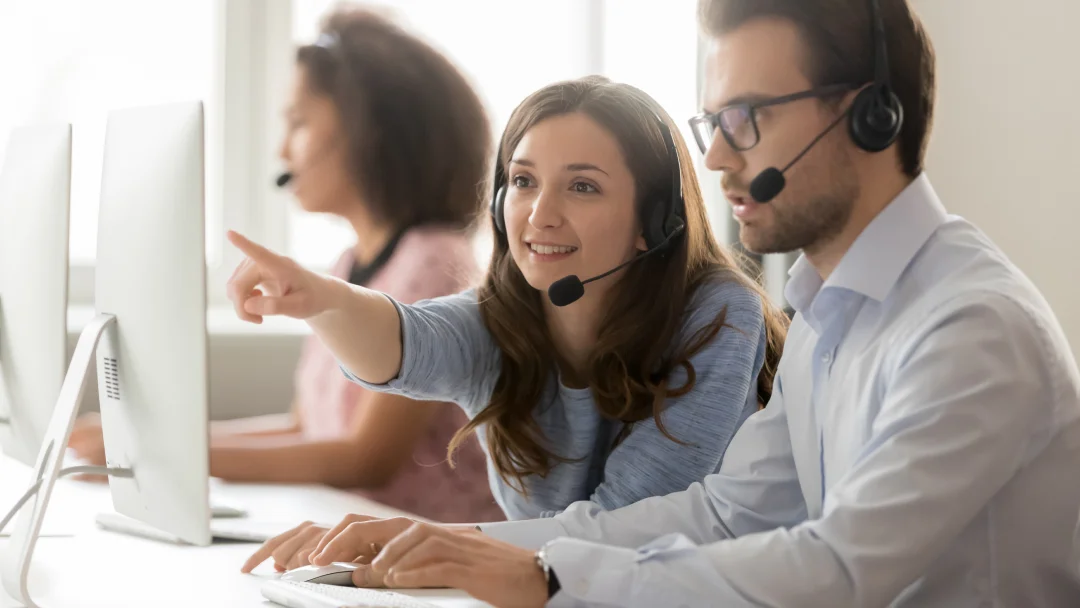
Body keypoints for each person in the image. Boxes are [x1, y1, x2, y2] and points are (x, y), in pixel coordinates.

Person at [240, 0, 1080, 606]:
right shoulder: (834, 310)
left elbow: (842, 571)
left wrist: (546, 575)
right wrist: (455, 548)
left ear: (870, 117)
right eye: (712, 119)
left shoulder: (968, 325)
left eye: (747, 117)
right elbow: (728, 513)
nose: (713, 156)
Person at [228, 75, 790, 571]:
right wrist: (321, 299)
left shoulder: (717, 314)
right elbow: (405, 342)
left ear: (653, 221)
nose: (540, 214)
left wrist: (438, 544)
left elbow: (629, 526)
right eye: (523, 181)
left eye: (583, 186)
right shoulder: (502, 318)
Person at [67, 7, 503, 526]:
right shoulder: (347, 266)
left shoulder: (435, 263)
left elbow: (365, 457)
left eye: (298, 123)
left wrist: (156, 455)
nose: (281, 149)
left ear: (371, 132)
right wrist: (150, 438)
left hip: (425, 557)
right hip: (351, 534)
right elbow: (308, 429)